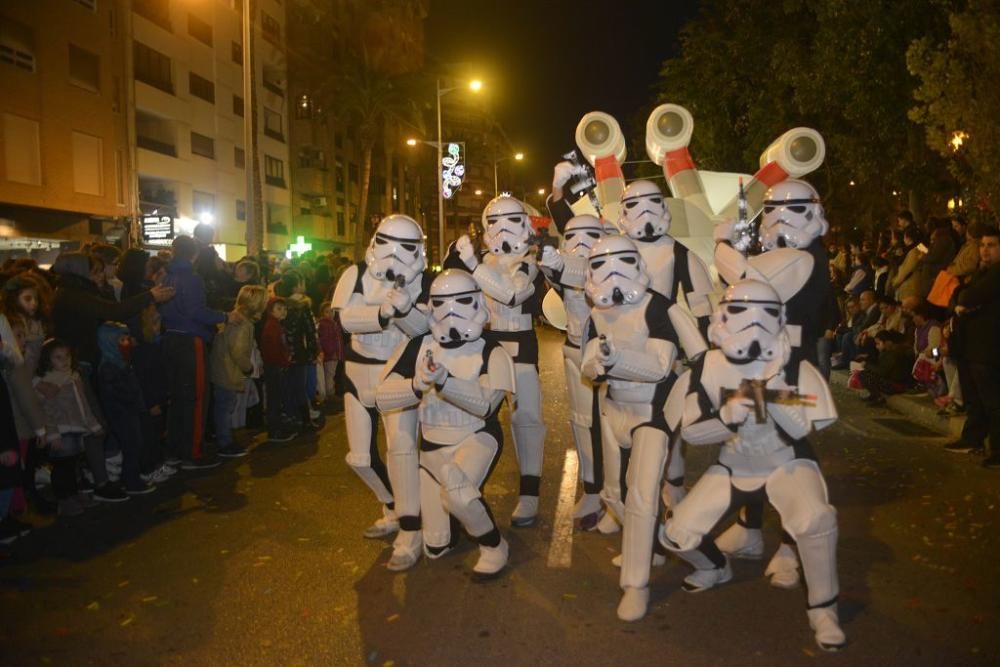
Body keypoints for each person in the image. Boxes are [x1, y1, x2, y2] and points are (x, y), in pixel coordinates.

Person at [658, 279, 845, 652]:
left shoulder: (795, 366)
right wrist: (727, 415)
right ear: (722, 318)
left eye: (765, 314)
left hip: (785, 460)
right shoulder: (708, 366)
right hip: (733, 463)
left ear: (780, 320)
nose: (753, 325)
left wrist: (772, 393)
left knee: (816, 520)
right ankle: (713, 566)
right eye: (741, 313)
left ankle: (824, 608)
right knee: (676, 533)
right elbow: (692, 434)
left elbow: (806, 425)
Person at [578, 236, 700, 621]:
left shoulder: (658, 307)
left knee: (644, 496)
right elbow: (586, 365)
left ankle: (636, 584)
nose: (612, 273)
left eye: (622, 262)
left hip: (654, 409)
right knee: (614, 495)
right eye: (602, 265)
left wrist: (612, 360)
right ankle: (670, 550)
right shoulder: (595, 313)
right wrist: (597, 363)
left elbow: (659, 366)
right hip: (616, 407)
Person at [376, 269, 515, 576]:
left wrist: (444, 381)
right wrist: (415, 385)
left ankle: (493, 544)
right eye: (442, 303)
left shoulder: (493, 351)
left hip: (476, 437)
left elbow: (484, 406)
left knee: (457, 489)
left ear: (478, 303)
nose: (452, 313)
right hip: (432, 448)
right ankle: (459, 520)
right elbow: (381, 398)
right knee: (436, 545)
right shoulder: (417, 346)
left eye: (462, 301)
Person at [332, 214, 432, 570]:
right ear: (375, 241)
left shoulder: (425, 281)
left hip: (397, 373)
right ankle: (392, 506)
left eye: (407, 247)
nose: (395, 255)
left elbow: (425, 328)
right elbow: (340, 318)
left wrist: (402, 310)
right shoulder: (355, 273)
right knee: (359, 457)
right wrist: (381, 312)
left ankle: (411, 530)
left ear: (419, 249)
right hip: (358, 372)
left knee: (402, 450)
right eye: (387, 242)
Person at [447, 196, 548, 527]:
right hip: (486, 346)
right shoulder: (479, 261)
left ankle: (529, 494)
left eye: (510, 220)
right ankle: (466, 488)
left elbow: (512, 294)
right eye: (495, 221)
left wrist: (473, 265)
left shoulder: (527, 261)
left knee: (527, 419)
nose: (502, 229)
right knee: (475, 415)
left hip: (520, 345)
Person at [538, 214, 607, 527]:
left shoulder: (613, 264)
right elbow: (559, 277)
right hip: (573, 348)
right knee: (582, 423)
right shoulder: (560, 264)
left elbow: (589, 276)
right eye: (573, 236)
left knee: (612, 427)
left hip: (607, 355)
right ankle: (592, 489)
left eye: (589, 235)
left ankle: (614, 493)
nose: (580, 243)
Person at [158, 235, 226, 470]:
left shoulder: (167, 276)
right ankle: (192, 453)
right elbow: (197, 311)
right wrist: (223, 316)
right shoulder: (192, 278)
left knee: (176, 398)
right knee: (196, 399)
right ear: (194, 254)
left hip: (171, 340)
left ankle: (174, 451)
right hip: (190, 342)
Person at [943, 227, 1000, 466]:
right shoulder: (981, 272)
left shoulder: (995, 274)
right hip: (970, 346)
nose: (985, 250)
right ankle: (973, 438)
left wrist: (963, 300)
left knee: (992, 401)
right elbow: (957, 295)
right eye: (983, 245)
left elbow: (969, 297)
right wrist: (960, 304)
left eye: (992, 245)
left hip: (987, 347)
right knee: (974, 398)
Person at [33, 340, 105, 514]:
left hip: (76, 428)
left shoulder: (73, 377)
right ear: (48, 360)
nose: (64, 361)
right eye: (58, 358)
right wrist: (53, 433)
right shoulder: (48, 382)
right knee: (62, 466)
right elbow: (46, 410)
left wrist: (93, 424)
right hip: (61, 430)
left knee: (73, 465)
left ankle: (73, 495)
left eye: (67, 357)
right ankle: (64, 500)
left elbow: (83, 403)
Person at [96, 322, 156, 495]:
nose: (126, 343)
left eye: (126, 339)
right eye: (121, 340)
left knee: (135, 445)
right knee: (132, 446)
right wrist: (133, 400)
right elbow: (117, 393)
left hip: (129, 412)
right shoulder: (109, 367)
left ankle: (130, 477)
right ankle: (131, 481)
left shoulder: (121, 362)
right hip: (122, 414)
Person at [210, 285, 268, 459]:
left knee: (224, 407)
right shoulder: (243, 324)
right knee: (225, 409)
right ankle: (225, 443)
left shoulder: (235, 318)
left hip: (221, 369)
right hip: (228, 372)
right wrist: (248, 368)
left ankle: (225, 439)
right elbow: (238, 351)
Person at [259, 297, 296, 443]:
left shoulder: (276, 325)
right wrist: (283, 361)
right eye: (279, 309)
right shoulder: (272, 326)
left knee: (276, 398)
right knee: (275, 399)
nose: (283, 311)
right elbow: (273, 349)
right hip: (275, 367)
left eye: (284, 309)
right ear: (271, 310)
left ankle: (277, 428)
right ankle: (275, 431)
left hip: (277, 366)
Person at [857, 331, 915, 406]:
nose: (876, 346)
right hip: (892, 380)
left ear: (887, 342)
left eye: (878, 344)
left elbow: (882, 372)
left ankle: (879, 398)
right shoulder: (887, 352)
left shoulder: (893, 354)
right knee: (864, 373)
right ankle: (874, 395)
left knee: (865, 375)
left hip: (897, 385)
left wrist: (867, 365)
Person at [317, 301, 344, 407]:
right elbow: (326, 340)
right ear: (322, 313)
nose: (330, 313)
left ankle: (331, 394)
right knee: (329, 375)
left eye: (332, 311)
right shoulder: (325, 324)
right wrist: (331, 352)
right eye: (327, 311)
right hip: (331, 356)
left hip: (335, 355)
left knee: (331, 374)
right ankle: (330, 395)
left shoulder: (333, 323)